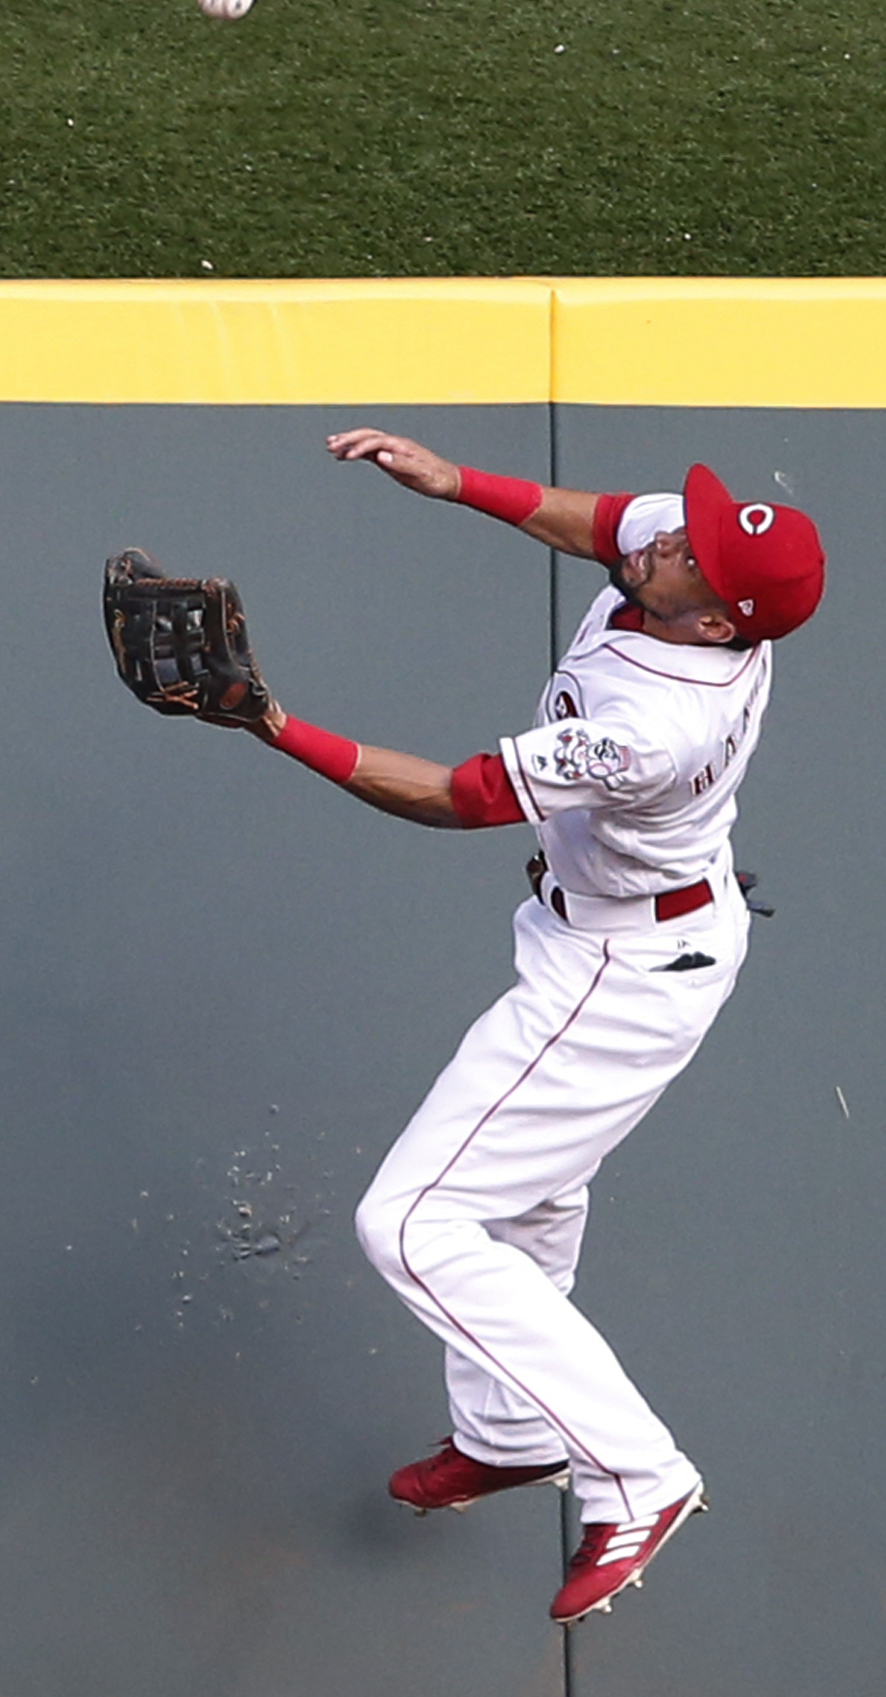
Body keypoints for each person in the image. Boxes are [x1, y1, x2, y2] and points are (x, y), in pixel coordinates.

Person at [245, 427, 825, 1623]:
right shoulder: (689, 571)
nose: (667, 536)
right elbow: (606, 515)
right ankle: (511, 1431)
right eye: (689, 528)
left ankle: (640, 1472)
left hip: (625, 971)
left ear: (716, 622)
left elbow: (460, 799)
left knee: (410, 1223)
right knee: (528, 1198)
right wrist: (453, 482)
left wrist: (271, 724)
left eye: (691, 555)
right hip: (607, 929)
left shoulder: (657, 724)